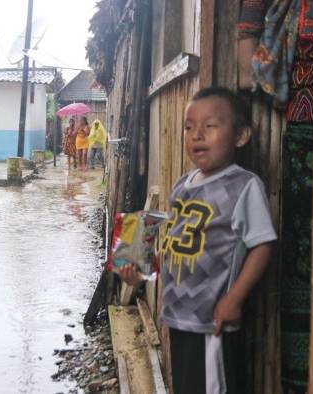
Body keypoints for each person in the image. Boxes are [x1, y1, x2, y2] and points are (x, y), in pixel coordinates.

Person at [118, 87, 277, 394]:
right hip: (178, 316)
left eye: (210, 125)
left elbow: (263, 244)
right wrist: (139, 271)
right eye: (189, 127)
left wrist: (234, 300)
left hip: (211, 322)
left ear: (240, 135)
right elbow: (176, 245)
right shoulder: (181, 185)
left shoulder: (244, 185)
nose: (196, 135)